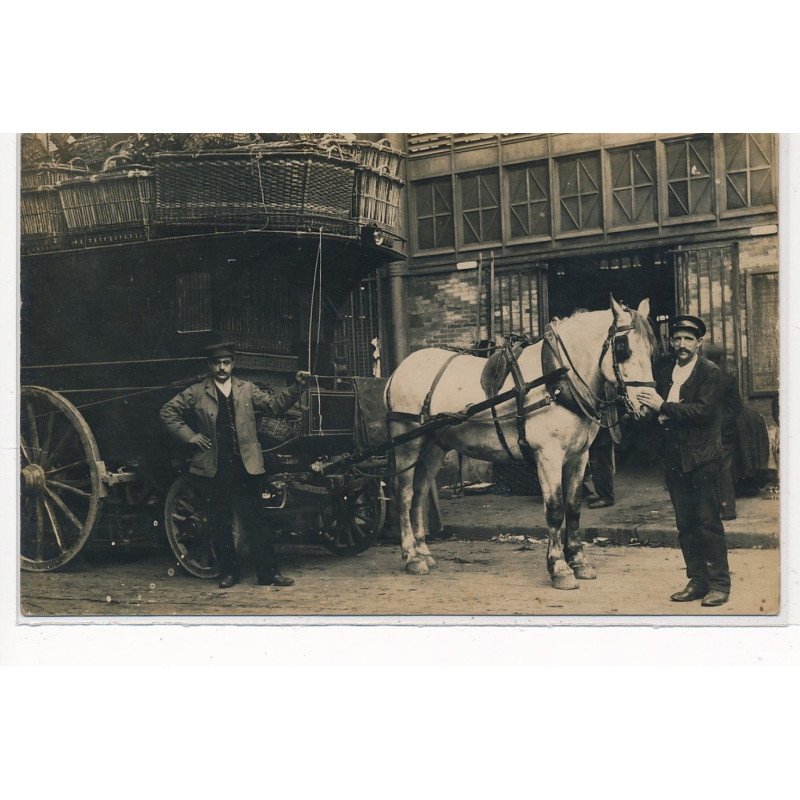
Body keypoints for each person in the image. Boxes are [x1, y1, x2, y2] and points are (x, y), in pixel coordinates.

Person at [160, 341, 308, 589]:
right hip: (214, 467)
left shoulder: (246, 389)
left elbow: (275, 405)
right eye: (217, 363)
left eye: (226, 363)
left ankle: (268, 574)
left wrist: (297, 387)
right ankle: (229, 573)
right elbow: (167, 411)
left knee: (257, 521)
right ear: (210, 365)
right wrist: (191, 436)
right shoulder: (198, 391)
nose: (221, 367)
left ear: (233, 364)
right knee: (219, 522)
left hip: (246, 467)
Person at [637, 315, 730, 607]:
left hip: (703, 459)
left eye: (688, 339)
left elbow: (702, 412)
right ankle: (698, 581)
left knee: (707, 522)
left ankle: (719, 584)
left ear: (699, 342)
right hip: (676, 459)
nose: (682, 344)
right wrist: (646, 412)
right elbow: (657, 412)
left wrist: (662, 406)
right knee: (685, 524)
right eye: (677, 338)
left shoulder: (709, 372)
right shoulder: (665, 372)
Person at [702, 342, 743, 520]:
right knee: (721, 468)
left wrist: (718, 424)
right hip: (723, 429)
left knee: (721, 469)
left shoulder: (710, 377)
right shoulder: (728, 376)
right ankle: (724, 508)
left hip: (720, 431)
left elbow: (734, 408)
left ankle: (727, 510)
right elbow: (737, 407)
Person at [583, 384, 621, 508]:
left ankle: (606, 497)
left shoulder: (606, 382)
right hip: (599, 424)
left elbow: (608, 398)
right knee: (597, 460)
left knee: (600, 461)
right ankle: (602, 494)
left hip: (603, 424)